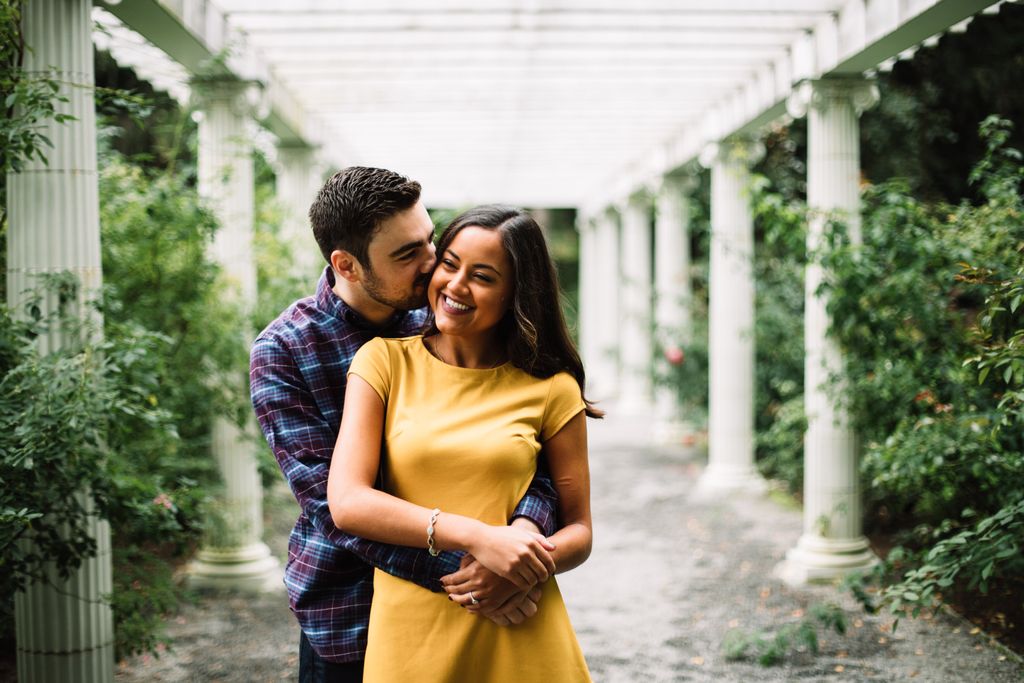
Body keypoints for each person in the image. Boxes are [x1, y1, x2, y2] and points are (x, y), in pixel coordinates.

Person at [250, 169, 560, 683]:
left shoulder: (451, 316)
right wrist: (473, 571)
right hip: (353, 614)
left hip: (480, 604)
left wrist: (520, 537)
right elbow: (332, 506)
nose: (433, 265)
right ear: (346, 265)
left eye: (429, 240)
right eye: (406, 255)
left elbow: (535, 449)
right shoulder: (284, 351)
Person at [327, 205, 602, 682]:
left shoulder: (552, 387)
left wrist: (518, 569)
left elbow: (579, 531)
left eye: (484, 277)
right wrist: (479, 538)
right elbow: (348, 503)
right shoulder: (382, 362)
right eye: (449, 264)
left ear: (517, 292)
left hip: (520, 621)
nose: (455, 285)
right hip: (411, 632)